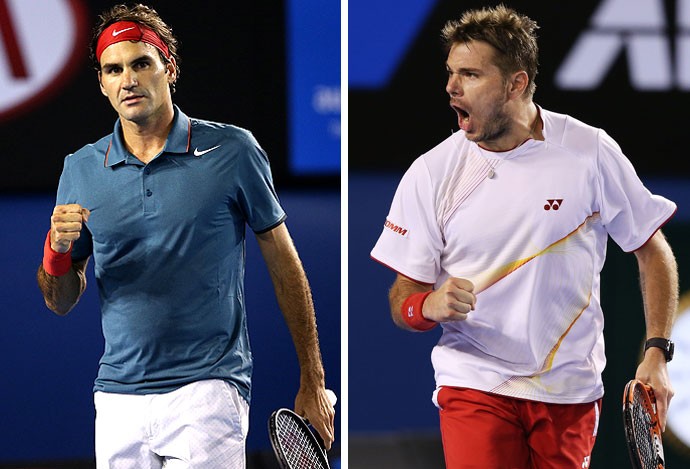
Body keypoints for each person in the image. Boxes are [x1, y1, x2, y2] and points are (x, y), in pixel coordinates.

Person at [371, 5, 678, 468]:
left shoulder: (589, 151)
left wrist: (657, 351)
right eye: (451, 73)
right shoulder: (431, 173)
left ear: (516, 83)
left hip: (569, 389)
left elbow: (652, 250)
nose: (451, 87)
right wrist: (426, 306)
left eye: (470, 74)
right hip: (475, 381)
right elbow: (403, 299)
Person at [36, 3, 334, 467]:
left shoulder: (233, 150)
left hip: (207, 390)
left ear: (168, 68)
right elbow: (60, 300)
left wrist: (312, 379)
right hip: (117, 397)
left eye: (141, 64)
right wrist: (56, 254)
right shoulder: (80, 168)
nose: (128, 79)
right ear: (103, 84)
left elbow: (283, 263)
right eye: (113, 70)